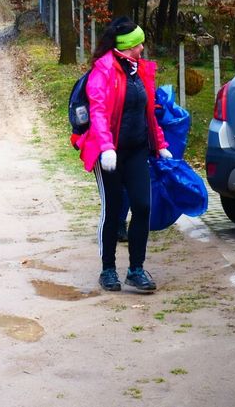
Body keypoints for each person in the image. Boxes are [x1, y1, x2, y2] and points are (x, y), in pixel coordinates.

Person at [73, 17, 171, 293]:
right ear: (128, 46)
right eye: (139, 44)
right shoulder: (102, 71)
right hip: (108, 153)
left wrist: (160, 144)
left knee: (142, 207)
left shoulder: (139, 70)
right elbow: (98, 112)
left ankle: (136, 270)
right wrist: (106, 148)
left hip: (136, 149)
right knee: (113, 210)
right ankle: (108, 270)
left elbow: (147, 111)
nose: (142, 48)